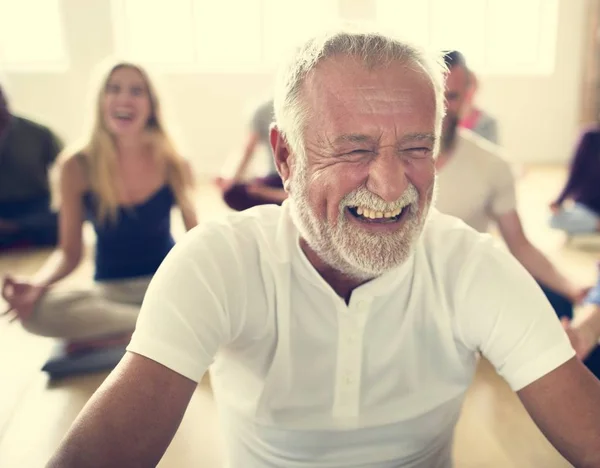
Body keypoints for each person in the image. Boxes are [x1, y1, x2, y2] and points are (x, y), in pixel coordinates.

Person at [47, 31, 600, 468]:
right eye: (354, 149)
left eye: (415, 147)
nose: (390, 184)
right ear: (285, 158)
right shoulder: (217, 261)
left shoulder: (471, 265)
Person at [1, 61, 197, 353]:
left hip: (166, 286)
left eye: (136, 91)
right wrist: (36, 285)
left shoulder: (174, 162)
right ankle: (156, 329)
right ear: (101, 102)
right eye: (113, 89)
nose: (123, 98)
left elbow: (196, 238)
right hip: (110, 294)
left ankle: (130, 332)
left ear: (152, 105)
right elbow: (69, 253)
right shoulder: (76, 165)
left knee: (217, 301)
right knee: (37, 313)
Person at [435, 50, 587, 321]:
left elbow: (519, 243)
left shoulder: (492, 164)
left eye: (452, 96)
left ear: (468, 94)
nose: (441, 108)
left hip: (465, 285)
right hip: (400, 288)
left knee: (558, 305)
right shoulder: (386, 161)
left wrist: (571, 288)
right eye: (434, 93)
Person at [0, 83, 63, 251]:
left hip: (34, 209)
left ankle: (15, 231)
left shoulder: (38, 133)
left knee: (61, 221)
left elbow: (68, 167)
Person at [214, 98, 288, 210]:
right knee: (233, 193)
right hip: (278, 178)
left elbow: (247, 149)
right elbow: (247, 150)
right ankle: (282, 197)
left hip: (306, 181)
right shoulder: (262, 109)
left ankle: (276, 195)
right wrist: (230, 179)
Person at [549, 126, 600, 235]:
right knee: (554, 220)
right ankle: (595, 225)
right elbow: (575, 174)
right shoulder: (590, 138)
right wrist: (559, 200)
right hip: (587, 209)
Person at [457, 67, 499, 144]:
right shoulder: (447, 118)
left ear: (475, 88)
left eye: (468, 86)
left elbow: (493, 153)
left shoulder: (488, 122)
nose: (465, 91)